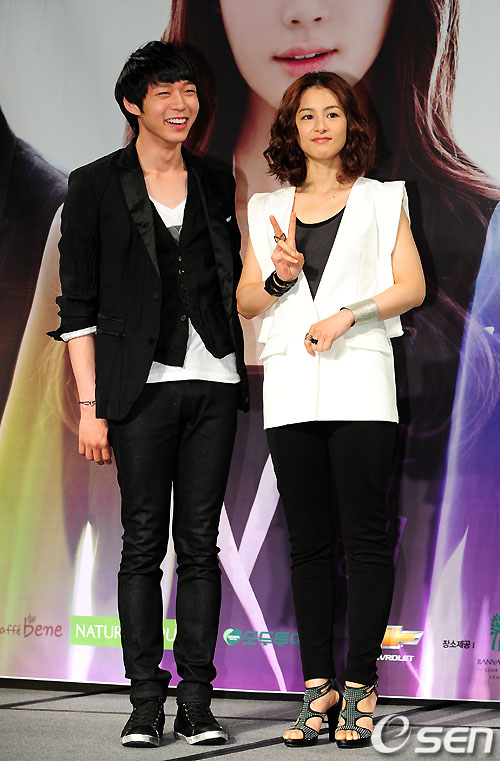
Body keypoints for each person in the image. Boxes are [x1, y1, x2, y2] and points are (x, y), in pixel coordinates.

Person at [48, 41, 248, 748]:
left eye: (188, 91)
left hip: (214, 380)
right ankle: (143, 701)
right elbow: (78, 305)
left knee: (199, 546)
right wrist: (92, 406)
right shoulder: (94, 184)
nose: (180, 104)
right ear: (133, 104)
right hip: (138, 390)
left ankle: (197, 701)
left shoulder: (217, 178)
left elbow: (230, 279)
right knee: (142, 544)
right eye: (164, 92)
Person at [237, 71, 425, 747]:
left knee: (365, 538)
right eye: (307, 115)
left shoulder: (381, 198)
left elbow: (411, 285)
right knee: (308, 542)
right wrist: (280, 276)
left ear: (351, 124)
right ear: (292, 129)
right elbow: (247, 301)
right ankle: (316, 687)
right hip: (291, 386)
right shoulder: (267, 207)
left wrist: (350, 313)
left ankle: (361, 684)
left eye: (332, 113)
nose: (320, 125)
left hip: (362, 383)